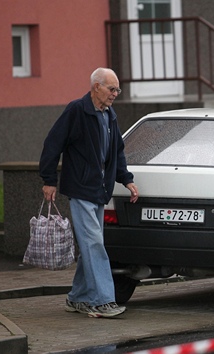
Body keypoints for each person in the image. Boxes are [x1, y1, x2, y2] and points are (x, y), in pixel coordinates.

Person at [39, 67, 139, 318]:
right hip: (82, 189)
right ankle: (103, 299)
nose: (115, 93)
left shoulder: (109, 115)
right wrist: (49, 179)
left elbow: (117, 151)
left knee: (90, 245)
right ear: (96, 87)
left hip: (100, 190)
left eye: (118, 89)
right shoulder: (77, 110)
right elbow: (53, 143)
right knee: (94, 243)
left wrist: (126, 179)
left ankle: (77, 298)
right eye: (111, 88)